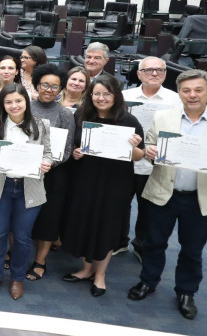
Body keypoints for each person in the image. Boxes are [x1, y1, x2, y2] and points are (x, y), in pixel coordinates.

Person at [130, 69, 207, 320]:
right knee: (153, 242)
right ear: (179, 93)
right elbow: (150, 150)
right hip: (164, 191)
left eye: (198, 90)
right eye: (186, 90)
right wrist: (151, 152)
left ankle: (186, 292)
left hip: (199, 198)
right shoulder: (163, 117)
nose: (192, 95)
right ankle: (148, 281)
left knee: (192, 250)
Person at [60, 76, 144, 297]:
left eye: (106, 94)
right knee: (85, 222)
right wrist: (76, 153)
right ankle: (87, 269)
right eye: (97, 93)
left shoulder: (129, 120)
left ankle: (100, 275)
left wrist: (134, 147)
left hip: (115, 183)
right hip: (84, 179)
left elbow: (139, 156)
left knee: (106, 226)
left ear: (116, 96)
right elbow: (74, 145)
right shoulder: (82, 115)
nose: (101, 98)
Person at [0, 83, 53, 300]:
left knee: (22, 237)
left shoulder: (41, 124)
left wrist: (46, 163)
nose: (14, 105)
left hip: (28, 187)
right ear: (2, 103)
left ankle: (17, 278)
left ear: (26, 102)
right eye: (9, 101)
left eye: (18, 101)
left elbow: (48, 152)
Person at [121, 58, 184, 258]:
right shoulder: (124, 96)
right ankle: (118, 242)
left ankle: (140, 245)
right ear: (139, 74)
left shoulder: (176, 100)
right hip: (125, 161)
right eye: (149, 70)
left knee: (148, 210)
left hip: (155, 164)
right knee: (119, 205)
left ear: (165, 74)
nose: (154, 74)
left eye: (159, 70)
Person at [25, 63, 76, 281]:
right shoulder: (24, 106)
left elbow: (66, 149)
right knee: (19, 217)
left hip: (52, 174)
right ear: (36, 85)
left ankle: (40, 260)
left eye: (55, 86)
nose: (49, 89)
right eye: (44, 84)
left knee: (48, 219)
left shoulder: (65, 114)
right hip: (23, 170)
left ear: (61, 89)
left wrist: (49, 164)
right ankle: (14, 251)